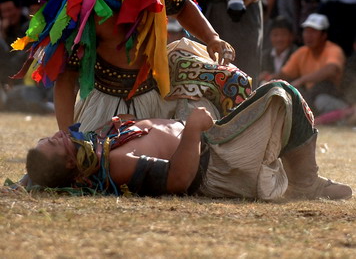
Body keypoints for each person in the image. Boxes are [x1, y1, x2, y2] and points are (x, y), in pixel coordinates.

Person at [12, 0, 238, 132]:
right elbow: (66, 74)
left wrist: (212, 38)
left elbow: (182, 5)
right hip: (104, 102)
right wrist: (65, 133)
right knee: (95, 166)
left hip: (155, 93)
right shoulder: (81, 2)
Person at [25, 80, 352, 200]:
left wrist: (128, 126)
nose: (57, 135)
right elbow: (179, 179)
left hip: (210, 141)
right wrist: (193, 130)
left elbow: (41, 173)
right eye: (54, 143)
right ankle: (307, 183)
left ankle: (304, 180)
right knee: (282, 94)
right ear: (70, 163)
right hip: (217, 164)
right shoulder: (113, 164)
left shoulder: (99, 146)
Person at [272, 13, 346, 115]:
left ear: (324, 35)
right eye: (306, 31)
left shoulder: (333, 50)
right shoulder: (302, 52)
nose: (308, 36)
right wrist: (269, 78)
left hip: (332, 98)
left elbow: (331, 69)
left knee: (321, 100)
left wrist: (302, 80)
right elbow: (285, 74)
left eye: (313, 32)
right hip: (310, 98)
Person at [259, 16, 298, 85]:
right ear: (270, 36)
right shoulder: (264, 56)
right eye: (275, 35)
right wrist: (260, 77)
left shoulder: (297, 54)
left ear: (291, 36)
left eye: (283, 34)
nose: (279, 39)